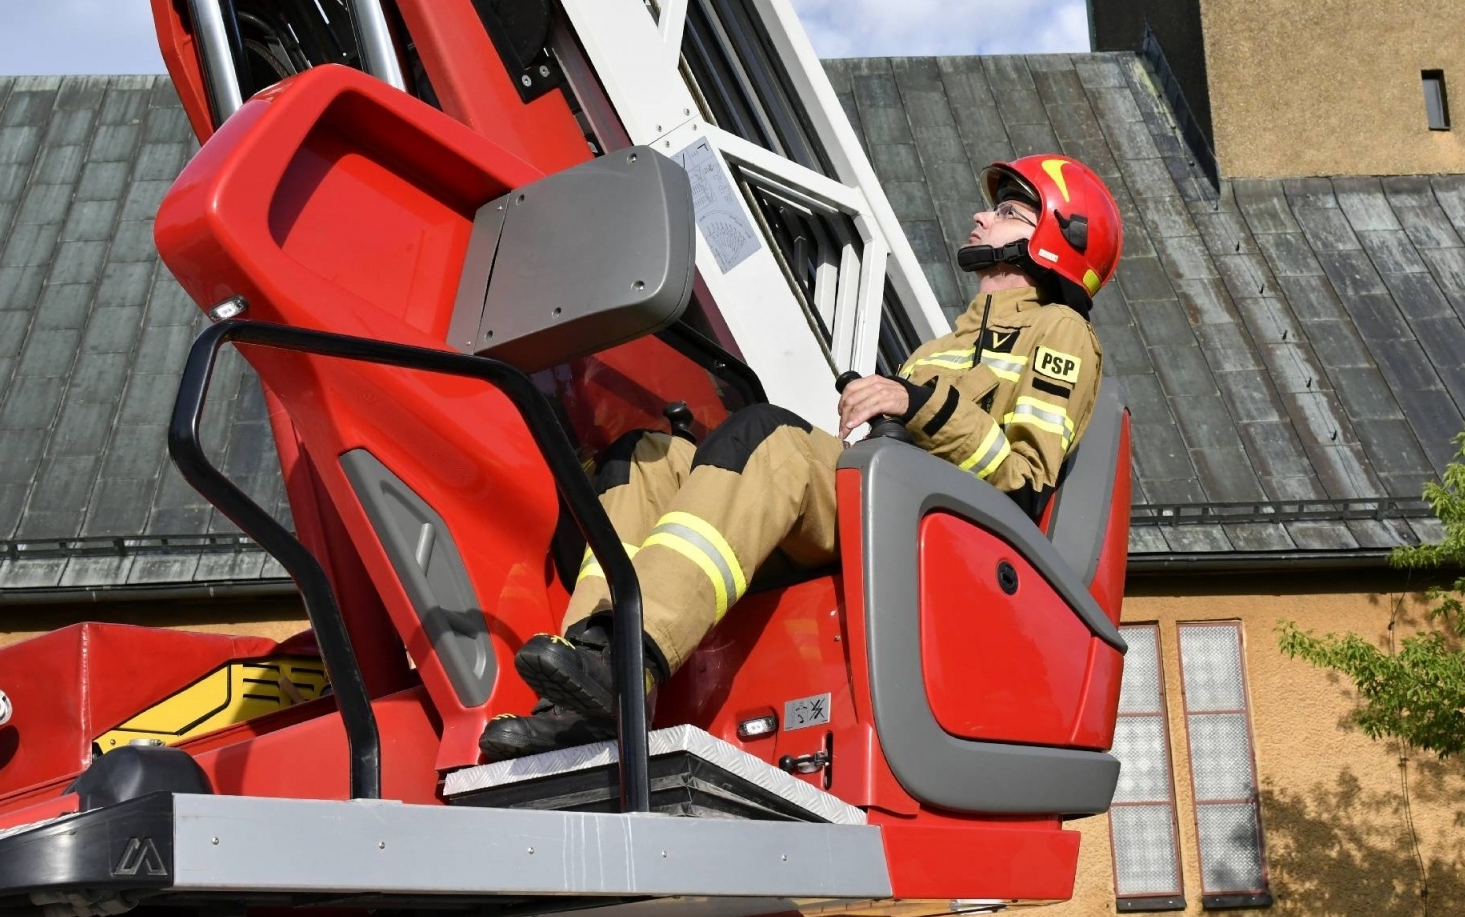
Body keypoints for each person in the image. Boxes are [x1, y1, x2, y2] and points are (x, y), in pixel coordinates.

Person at [480, 154, 1124, 760]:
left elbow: (1023, 484)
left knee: (770, 439)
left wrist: (913, 402)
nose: (982, 217)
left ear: (1058, 237)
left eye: (1008, 210)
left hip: (927, 539)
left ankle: (631, 658)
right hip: (879, 506)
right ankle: (591, 677)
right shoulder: (942, 345)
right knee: (644, 457)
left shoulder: (1060, 333)